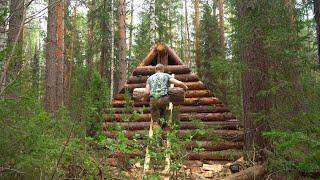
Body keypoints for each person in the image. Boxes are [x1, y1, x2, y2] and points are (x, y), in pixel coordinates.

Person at [144, 64, 188, 130]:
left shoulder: (150, 78)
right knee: (164, 115)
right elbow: (179, 83)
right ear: (163, 69)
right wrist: (185, 87)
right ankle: (164, 127)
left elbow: (146, 92)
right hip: (164, 98)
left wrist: (145, 99)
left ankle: (157, 132)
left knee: (155, 120)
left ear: (155, 70)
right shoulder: (166, 76)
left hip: (153, 99)